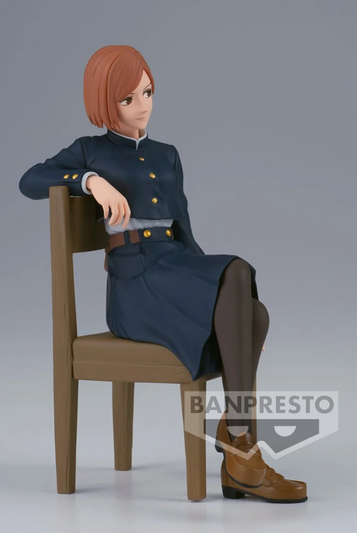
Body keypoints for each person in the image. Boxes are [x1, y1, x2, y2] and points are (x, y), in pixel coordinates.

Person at [19, 44, 307, 503]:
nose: (143, 105)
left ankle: (239, 444)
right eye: (128, 98)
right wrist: (89, 181)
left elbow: (186, 232)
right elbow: (30, 179)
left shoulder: (167, 154)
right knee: (242, 290)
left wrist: (232, 307)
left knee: (249, 303)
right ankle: (241, 452)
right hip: (135, 283)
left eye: (148, 92)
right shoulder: (90, 151)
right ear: (104, 101)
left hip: (173, 263)